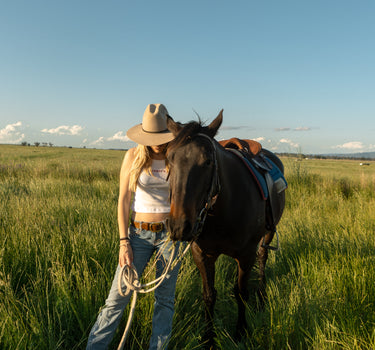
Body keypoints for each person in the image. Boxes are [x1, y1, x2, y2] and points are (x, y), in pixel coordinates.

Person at [87, 104, 181, 350]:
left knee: (165, 301)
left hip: (170, 238)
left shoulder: (177, 157)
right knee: (117, 298)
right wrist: (123, 241)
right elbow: (123, 201)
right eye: (153, 138)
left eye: (161, 137)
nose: (157, 143)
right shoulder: (133, 156)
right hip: (138, 234)